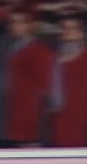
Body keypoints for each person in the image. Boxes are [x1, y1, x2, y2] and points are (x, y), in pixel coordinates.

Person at [4, 8, 56, 147]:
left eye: (20, 23)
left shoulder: (39, 50)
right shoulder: (10, 47)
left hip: (32, 108)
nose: (15, 27)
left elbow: (46, 81)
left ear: (30, 25)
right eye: (13, 23)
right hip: (16, 106)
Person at [50, 14, 87, 147]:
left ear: (82, 32)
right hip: (61, 111)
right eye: (64, 28)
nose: (67, 32)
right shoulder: (53, 56)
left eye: (73, 28)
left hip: (83, 111)